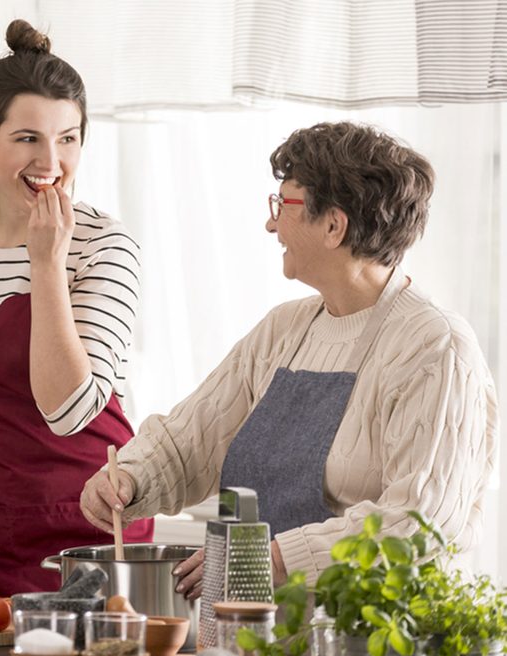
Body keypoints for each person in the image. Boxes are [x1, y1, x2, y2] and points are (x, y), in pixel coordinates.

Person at [80, 121, 498, 599]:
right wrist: (132, 478)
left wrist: (275, 558)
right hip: (255, 627)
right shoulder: (284, 329)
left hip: (365, 644)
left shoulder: (435, 347)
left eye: (283, 205)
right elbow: (190, 440)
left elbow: (421, 522)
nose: (270, 223)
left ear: (334, 225)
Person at [0, 19, 153, 597]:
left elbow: (68, 409)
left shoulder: (103, 245)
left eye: (69, 138)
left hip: (93, 530)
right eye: (27, 139)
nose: (52, 161)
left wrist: (46, 264)